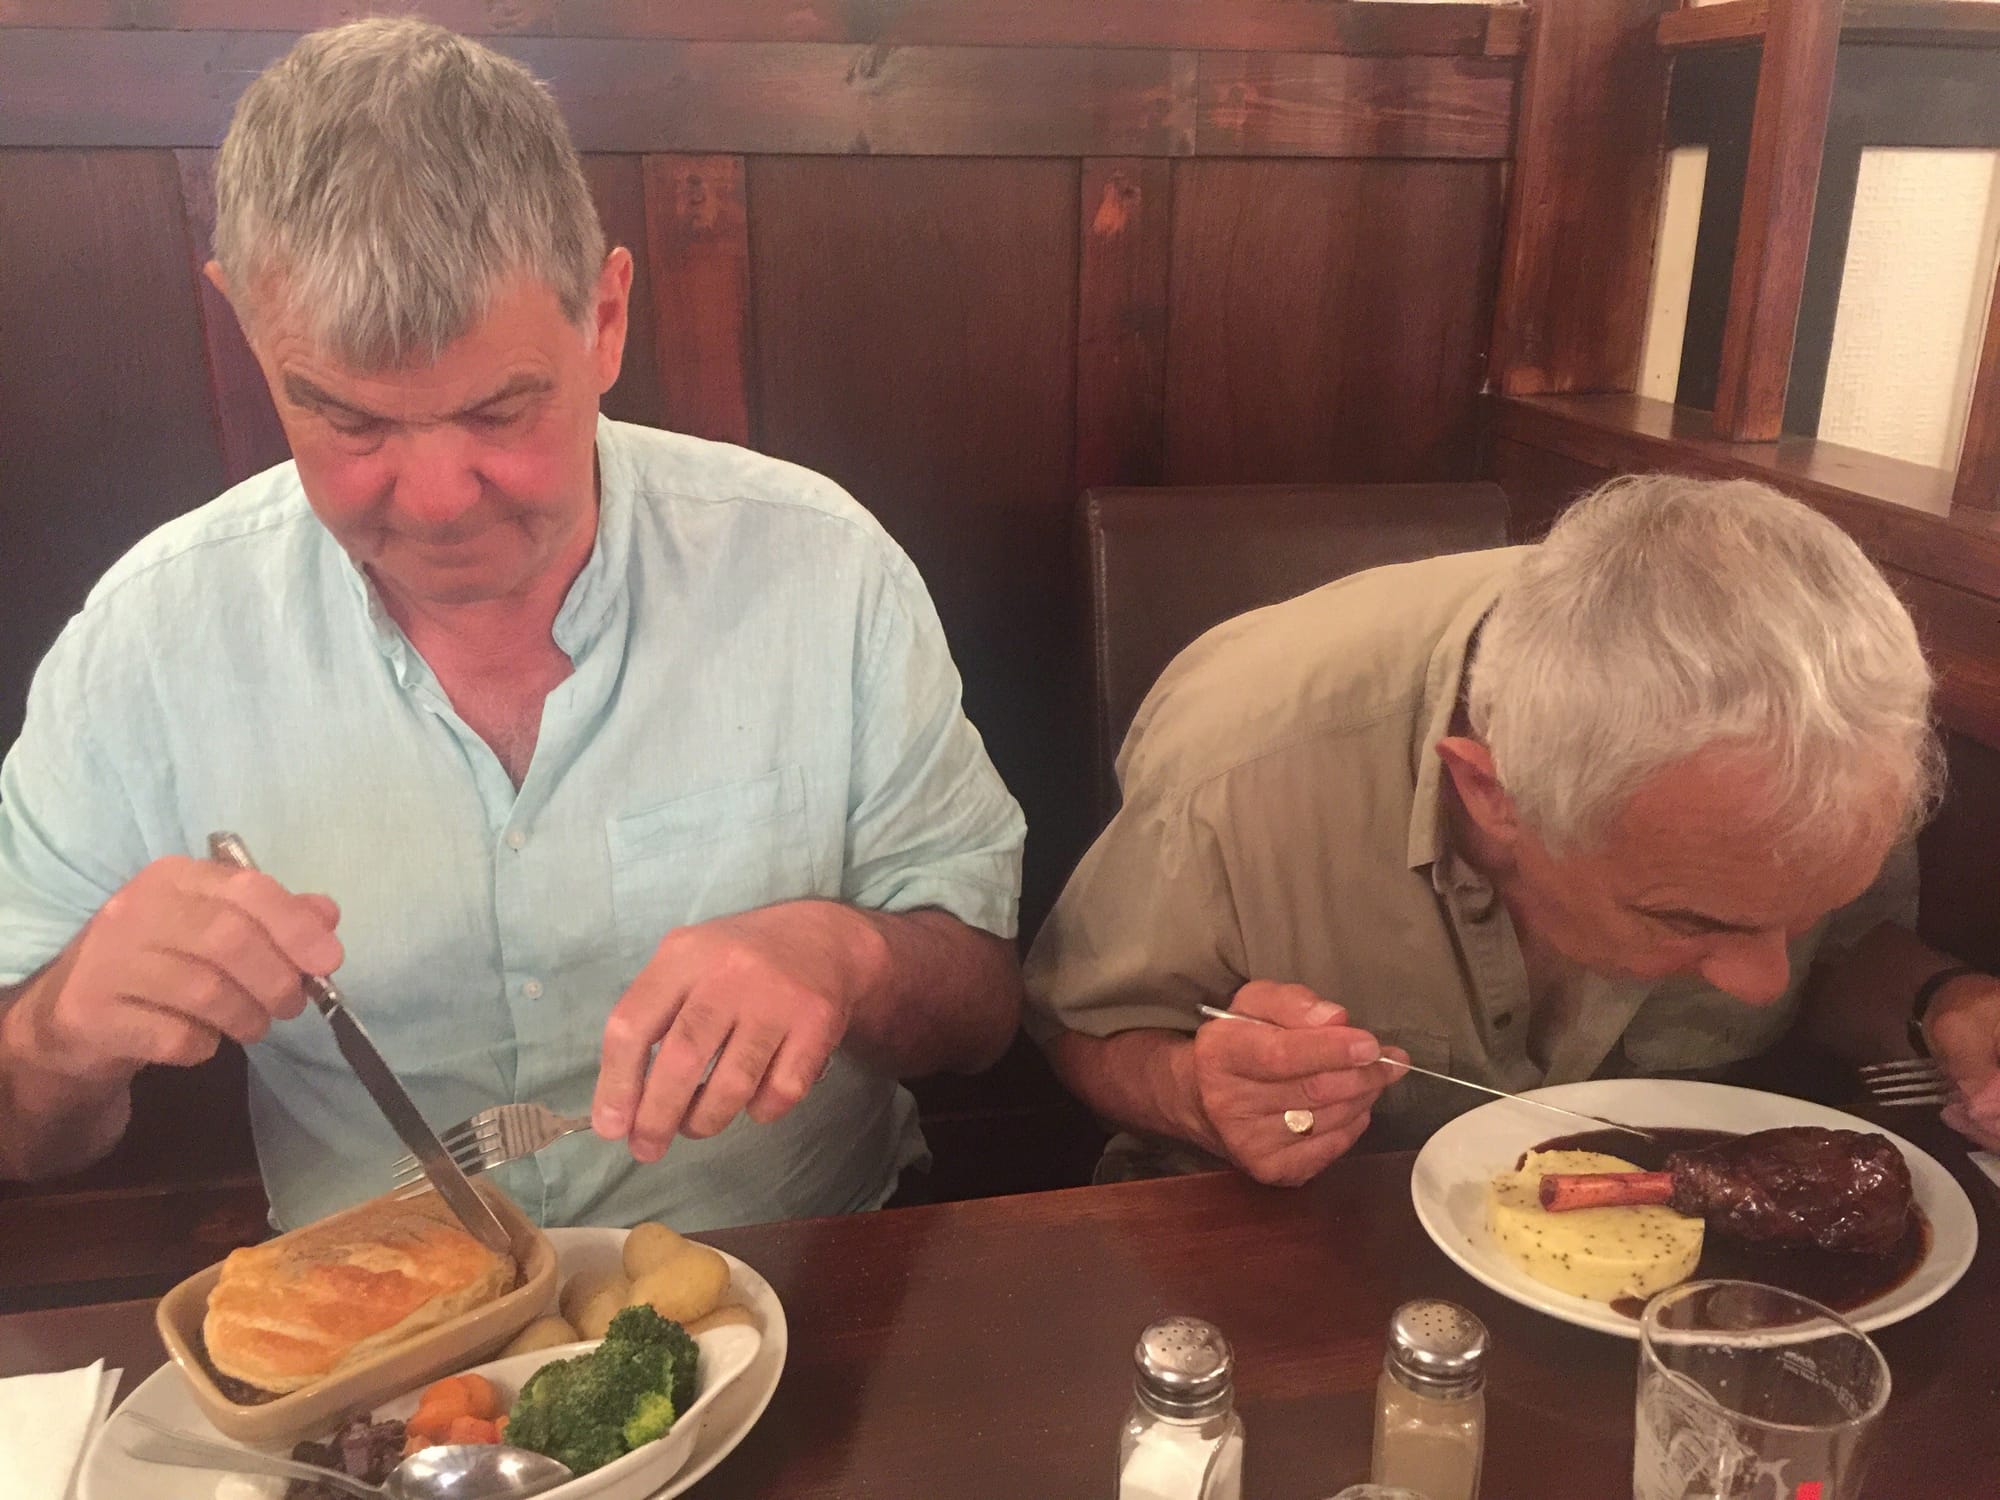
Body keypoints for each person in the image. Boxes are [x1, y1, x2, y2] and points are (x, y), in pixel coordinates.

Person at [0, 18, 1026, 1233]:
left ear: (602, 317)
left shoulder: (820, 568)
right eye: (348, 421)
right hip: (375, 1350)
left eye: (499, 412)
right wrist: (61, 1033)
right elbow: (26, 1137)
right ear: (243, 328)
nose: (434, 504)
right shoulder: (148, 643)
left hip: (809, 1293)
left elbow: (982, 1014)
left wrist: (845, 955)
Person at [1026, 475, 2000, 1186]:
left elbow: (1839, 961)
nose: (1761, 979)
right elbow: (1081, 1025)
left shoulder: (1837, 733)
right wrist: (1197, 1093)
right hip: (1303, 1246)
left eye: (1799, 915)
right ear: (1492, 793)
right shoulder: (1240, 767)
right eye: (1688, 920)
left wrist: (1944, 1007)